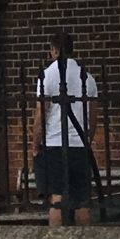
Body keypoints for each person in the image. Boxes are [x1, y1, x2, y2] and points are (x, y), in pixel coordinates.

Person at [35, 32, 98, 227]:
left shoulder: (48, 75)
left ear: (54, 50)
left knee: (57, 198)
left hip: (54, 144)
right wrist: (87, 138)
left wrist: (35, 142)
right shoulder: (87, 78)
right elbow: (93, 117)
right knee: (82, 200)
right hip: (79, 144)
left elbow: (41, 114)